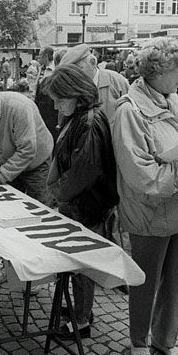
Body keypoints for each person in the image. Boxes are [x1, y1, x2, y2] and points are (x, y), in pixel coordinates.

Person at [111, 37, 178, 355]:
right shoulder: (130, 109)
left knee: (177, 278)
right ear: (159, 71)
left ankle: (166, 339)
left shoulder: (173, 100)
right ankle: (138, 339)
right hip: (150, 210)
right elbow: (139, 172)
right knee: (147, 279)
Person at [45, 65, 119, 338]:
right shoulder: (82, 117)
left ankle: (82, 320)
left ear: (76, 95)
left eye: (59, 99)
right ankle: (81, 310)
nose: (55, 105)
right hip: (83, 203)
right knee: (79, 263)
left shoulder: (87, 121)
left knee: (82, 264)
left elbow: (83, 171)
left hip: (85, 206)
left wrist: (58, 195)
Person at [60, 43, 130, 123]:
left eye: (79, 69)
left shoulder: (116, 81)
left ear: (92, 62)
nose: (76, 75)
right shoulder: (70, 87)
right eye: (71, 73)